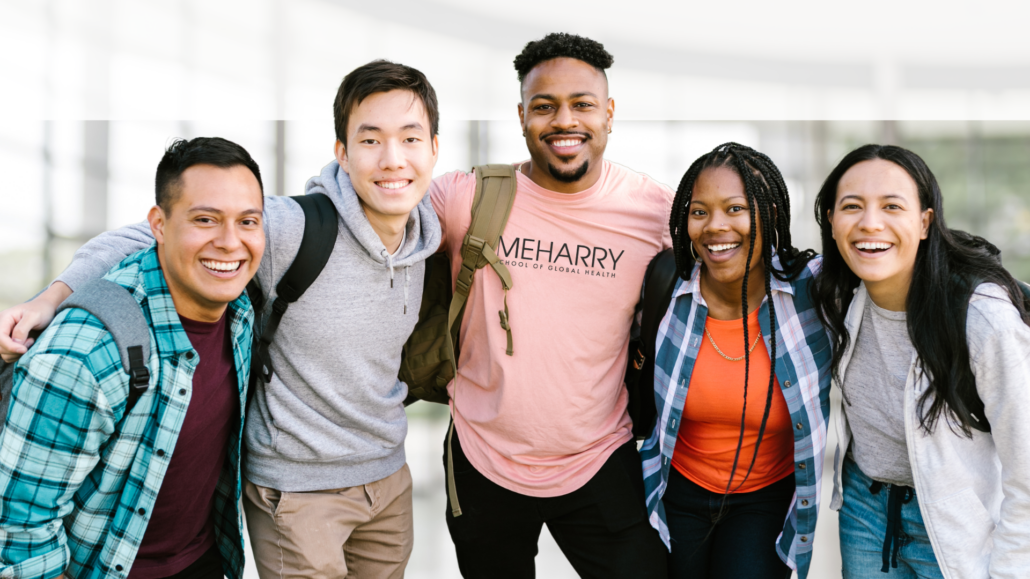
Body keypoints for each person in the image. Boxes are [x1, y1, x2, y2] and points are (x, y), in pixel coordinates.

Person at [0, 60, 442, 578]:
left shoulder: (430, 233)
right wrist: (52, 298)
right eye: (370, 140)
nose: (392, 159)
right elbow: (145, 237)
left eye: (410, 139)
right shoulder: (293, 228)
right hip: (295, 491)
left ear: (435, 148)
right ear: (342, 153)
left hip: (380, 481)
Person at [429, 32, 671, 578]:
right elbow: (371, 204)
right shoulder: (466, 198)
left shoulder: (656, 213)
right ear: (521, 117)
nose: (565, 120)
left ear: (608, 113)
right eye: (545, 106)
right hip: (482, 456)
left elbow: (739, 257)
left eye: (583, 104)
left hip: (600, 457)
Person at [0, 137, 264, 579]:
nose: (229, 242)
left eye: (247, 221)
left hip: (203, 560)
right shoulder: (86, 351)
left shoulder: (239, 311)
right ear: (158, 225)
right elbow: (17, 534)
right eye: (205, 219)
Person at [811, 144, 1030, 579]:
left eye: (892, 206)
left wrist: (1010, 569)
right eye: (851, 206)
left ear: (925, 222)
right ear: (832, 221)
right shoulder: (834, 293)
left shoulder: (981, 315)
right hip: (864, 512)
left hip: (956, 522)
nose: (870, 223)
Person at [638, 143, 831, 579]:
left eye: (735, 208)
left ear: (770, 215)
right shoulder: (669, 287)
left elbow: (890, 272)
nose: (715, 227)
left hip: (764, 500)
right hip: (675, 491)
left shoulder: (811, 291)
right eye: (700, 211)